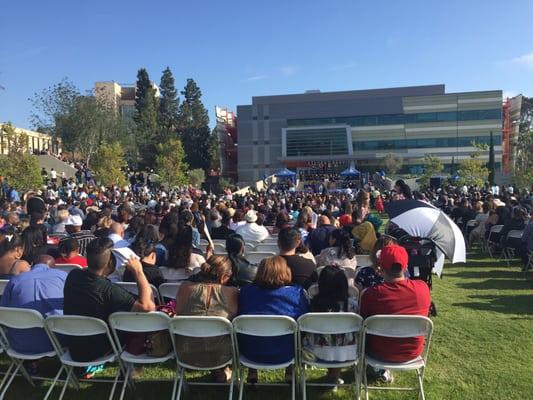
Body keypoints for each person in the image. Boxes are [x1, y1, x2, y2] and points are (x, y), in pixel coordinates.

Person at [63, 237, 156, 362]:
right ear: (111, 263)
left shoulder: (73, 276)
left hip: (75, 346)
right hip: (97, 350)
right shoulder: (108, 290)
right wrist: (138, 271)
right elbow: (148, 307)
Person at [360, 244, 431, 381]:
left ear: (380, 267)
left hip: (378, 352)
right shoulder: (423, 288)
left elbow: (363, 322)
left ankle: (377, 371)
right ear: (405, 267)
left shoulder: (371, 294)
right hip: (412, 353)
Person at [238, 256, 309, 383]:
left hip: (250, 352)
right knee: (295, 331)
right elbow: (305, 321)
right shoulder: (297, 294)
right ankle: (289, 372)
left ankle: (252, 371)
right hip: (286, 352)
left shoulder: (245, 292)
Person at [174, 256, 238, 382]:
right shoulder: (232, 292)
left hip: (186, 352)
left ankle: (218, 371)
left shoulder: (185, 288)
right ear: (223, 277)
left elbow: (178, 312)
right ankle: (221, 370)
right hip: (223, 355)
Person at [302, 265, 358, 384]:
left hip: (316, 352)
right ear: (344, 285)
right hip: (348, 352)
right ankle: (334, 374)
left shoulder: (312, 305)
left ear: (321, 284)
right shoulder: (352, 305)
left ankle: (332, 375)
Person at [0, 259, 66, 355]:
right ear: (53, 268)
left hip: (19, 343)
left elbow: (4, 312)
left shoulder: (15, 280)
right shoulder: (62, 275)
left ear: (32, 265)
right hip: (57, 342)